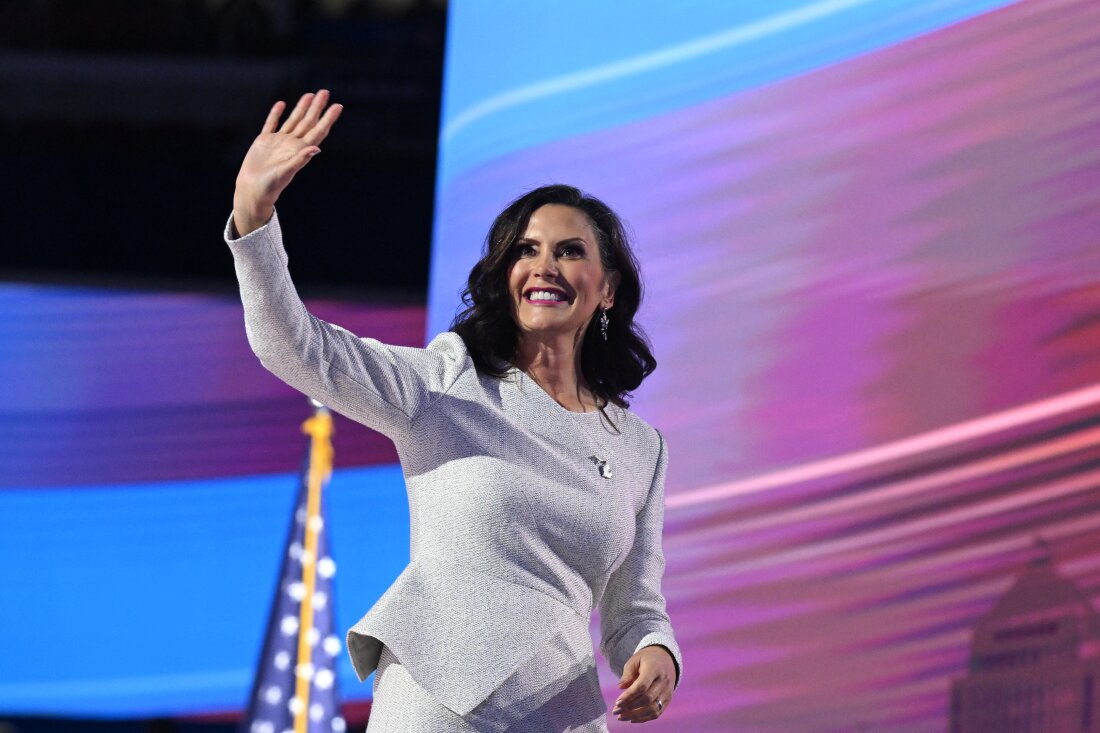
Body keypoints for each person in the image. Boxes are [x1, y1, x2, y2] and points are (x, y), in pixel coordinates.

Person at [226, 89, 682, 731]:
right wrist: (253, 214)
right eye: (526, 250)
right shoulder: (448, 381)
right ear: (505, 275)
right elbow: (298, 348)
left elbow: (634, 607)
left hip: (563, 712)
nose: (544, 265)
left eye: (570, 250)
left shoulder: (640, 447)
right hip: (440, 701)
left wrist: (655, 652)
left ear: (607, 289)